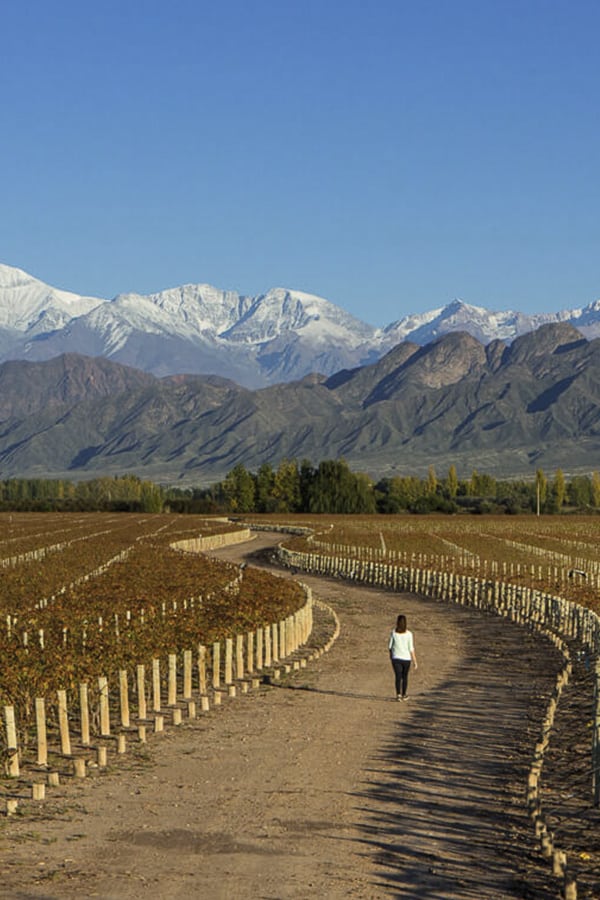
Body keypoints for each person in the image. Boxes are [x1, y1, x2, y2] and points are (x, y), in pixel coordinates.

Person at [388, 614, 418, 701]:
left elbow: (390, 646)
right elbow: (411, 648)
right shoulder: (409, 634)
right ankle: (404, 694)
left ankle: (398, 694)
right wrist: (415, 661)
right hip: (406, 659)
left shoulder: (393, 633)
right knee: (404, 677)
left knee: (398, 676)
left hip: (396, 657)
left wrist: (391, 655)